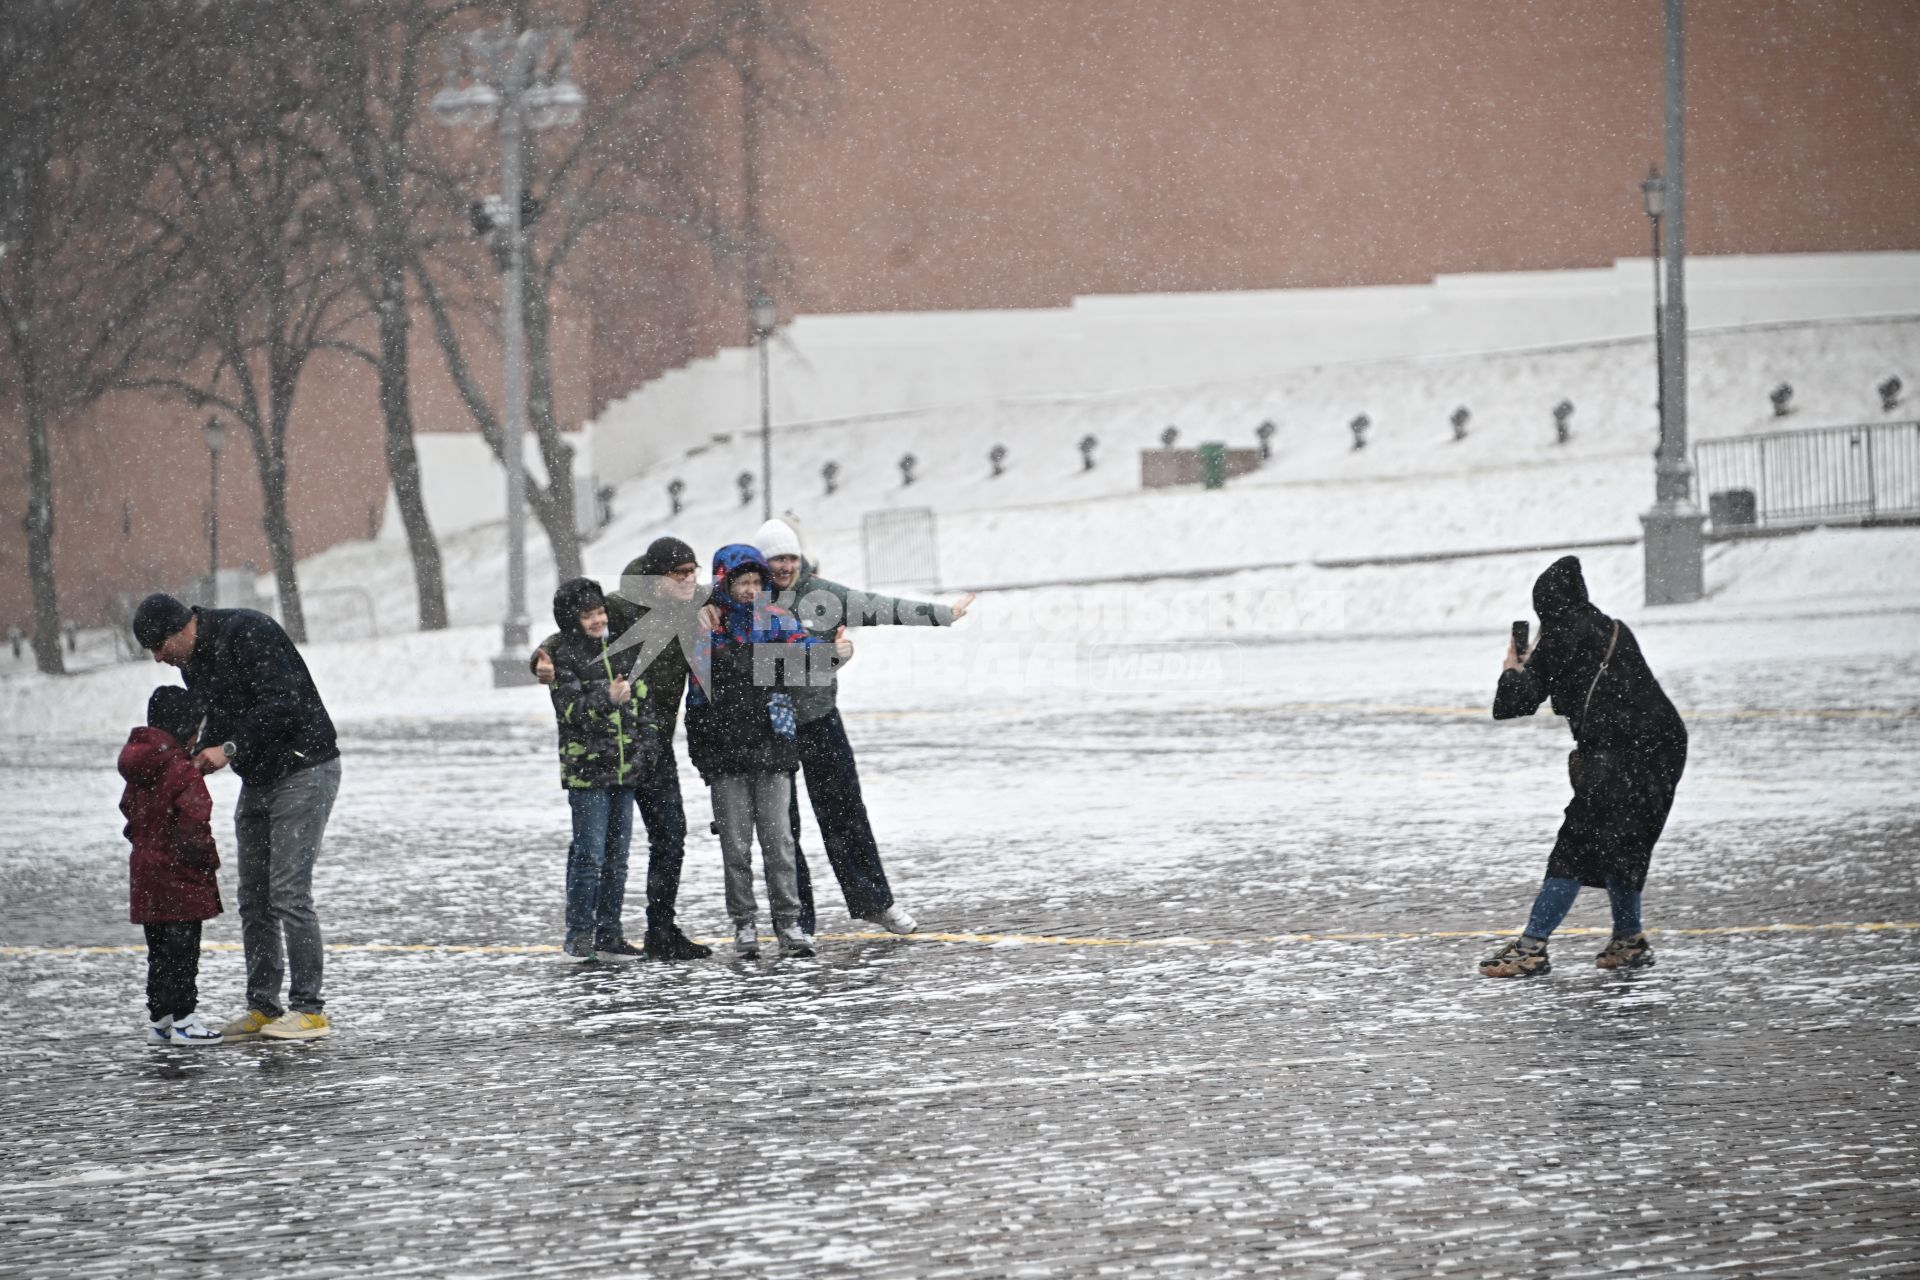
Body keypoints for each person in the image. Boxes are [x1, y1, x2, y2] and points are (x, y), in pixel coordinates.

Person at [132, 592, 341, 1041]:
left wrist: (228, 750)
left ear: (180, 628)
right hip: (260, 778)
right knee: (254, 898)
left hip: (304, 768)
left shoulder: (249, 630)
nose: (157, 658)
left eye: (158, 646)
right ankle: (263, 1007)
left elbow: (281, 704)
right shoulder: (191, 664)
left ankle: (310, 1010)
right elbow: (222, 715)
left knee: (289, 893)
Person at [751, 516, 975, 936]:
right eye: (775, 559)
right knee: (782, 828)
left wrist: (941, 614)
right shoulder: (749, 600)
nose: (784, 566)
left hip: (820, 720)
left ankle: (874, 901)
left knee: (845, 813)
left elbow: (880, 605)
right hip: (771, 728)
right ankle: (795, 920)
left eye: (789, 557)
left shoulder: (822, 594)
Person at [1480, 556, 1688, 978]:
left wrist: (1512, 670)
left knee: (1576, 844)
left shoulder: (1559, 636)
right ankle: (1628, 941)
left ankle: (1531, 947)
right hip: (1663, 747)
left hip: (1615, 755)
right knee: (1625, 842)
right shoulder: (1613, 628)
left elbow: (1511, 705)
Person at [530, 536, 712, 961]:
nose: (689, 580)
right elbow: (568, 635)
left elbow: (743, 594)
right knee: (601, 848)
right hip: (615, 749)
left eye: (692, 572)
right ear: (656, 577)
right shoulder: (620, 606)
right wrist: (538, 662)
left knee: (669, 836)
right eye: (679, 573)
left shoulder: (693, 606)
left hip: (653, 744)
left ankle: (659, 929)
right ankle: (589, 932)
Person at [686, 543, 852, 959]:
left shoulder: (776, 620)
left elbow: (803, 652)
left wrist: (834, 652)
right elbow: (696, 701)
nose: (750, 589)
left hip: (773, 748)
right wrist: (705, 758)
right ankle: (744, 924)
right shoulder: (709, 628)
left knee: (779, 842)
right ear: (724, 582)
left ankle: (790, 923)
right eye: (741, 582)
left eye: (756, 582)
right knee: (736, 847)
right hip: (726, 756)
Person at [546, 577, 660, 962]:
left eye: (599, 612)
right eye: (587, 615)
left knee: (617, 856)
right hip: (587, 773)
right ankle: (579, 934)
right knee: (589, 855)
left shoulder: (621, 648)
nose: (597, 621)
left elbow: (643, 703)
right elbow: (572, 711)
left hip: (624, 771)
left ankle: (609, 932)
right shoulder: (564, 657)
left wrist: (646, 745)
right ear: (571, 619)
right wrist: (607, 699)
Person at [119, 686, 225, 1046]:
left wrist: (147, 845)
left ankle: (160, 1021)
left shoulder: (138, 767)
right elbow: (195, 824)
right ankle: (185, 1021)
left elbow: (129, 813)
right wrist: (208, 863)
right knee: (184, 952)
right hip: (181, 879)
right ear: (186, 730)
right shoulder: (182, 772)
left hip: (147, 876)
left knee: (159, 953)